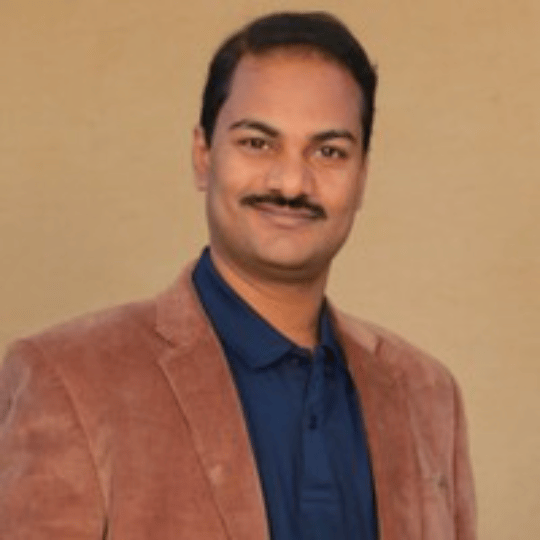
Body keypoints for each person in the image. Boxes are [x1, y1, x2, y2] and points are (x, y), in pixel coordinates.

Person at [0, 11, 476, 540]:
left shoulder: (426, 395)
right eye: (257, 142)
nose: (291, 183)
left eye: (328, 152)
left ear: (362, 176)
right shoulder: (68, 379)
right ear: (203, 155)